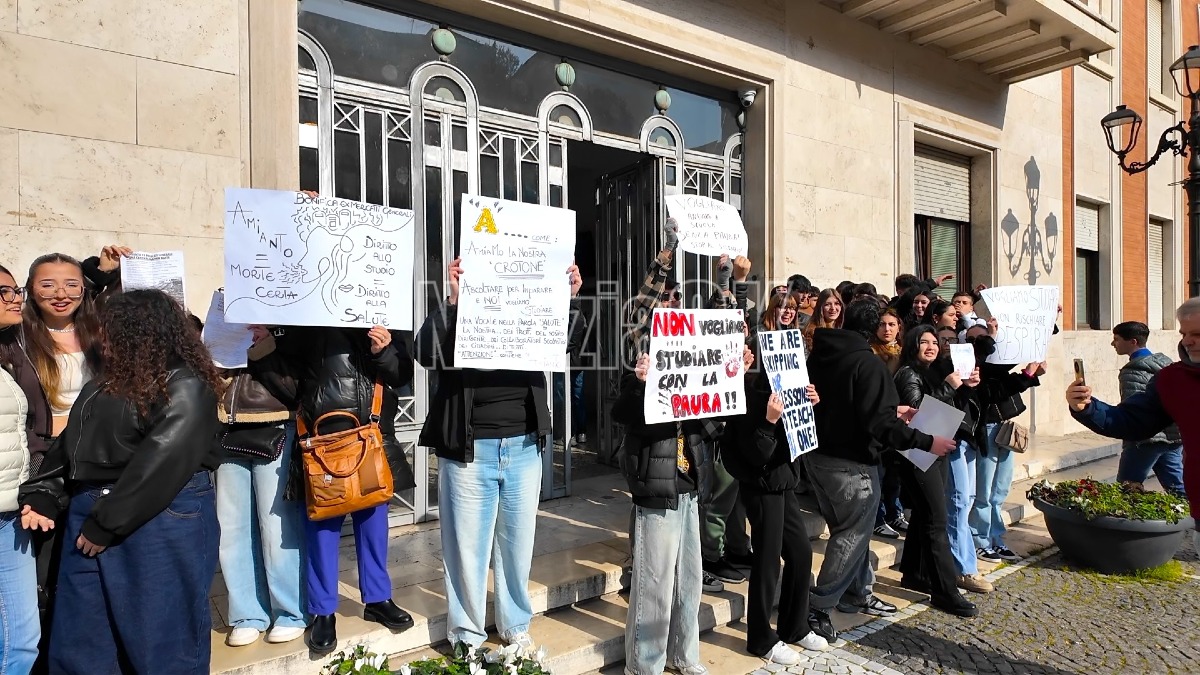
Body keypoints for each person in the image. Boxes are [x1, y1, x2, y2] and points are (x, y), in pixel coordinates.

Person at [19, 290, 223, 674]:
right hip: (92, 514)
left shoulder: (185, 382)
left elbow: (162, 461)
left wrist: (106, 522)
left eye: (106, 330)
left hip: (158, 517)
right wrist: (44, 492)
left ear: (137, 332)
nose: (97, 339)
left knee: (161, 641)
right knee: (82, 641)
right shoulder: (104, 383)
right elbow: (71, 446)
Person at [416, 257, 583, 651]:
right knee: (466, 549)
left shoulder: (531, 305)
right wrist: (453, 302)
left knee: (516, 547)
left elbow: (568, 343)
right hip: (469, 449)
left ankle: (514, 625)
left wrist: (570, 299)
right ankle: (467, 634)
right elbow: (424, 352)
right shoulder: (457, 310)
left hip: (524, 445)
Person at [249, 322, 417, 655]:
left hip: (370, 434)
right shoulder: (303, 317)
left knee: (373, 523)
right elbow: (287, 385)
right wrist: (266, 347)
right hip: (319, 440)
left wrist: (383, 351)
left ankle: (378, 598)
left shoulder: (382, 310)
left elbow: (401, 374)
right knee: (322, 528)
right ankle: (323, 610)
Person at [803, 299, 956, 642]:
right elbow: (880, 424)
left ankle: (857, 593)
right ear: (874, 329)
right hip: (852, 463)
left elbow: (850, 404)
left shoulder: (820, 355)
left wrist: (891, 409)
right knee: (852, 535)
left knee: (847, 530)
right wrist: (927, 441)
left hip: (818, 457)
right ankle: (818, 605)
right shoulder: (867, 364)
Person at [613, 346, 747, 675]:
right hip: (657, 490)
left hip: (690, 489)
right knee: (654, 583)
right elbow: (622, 414)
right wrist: (642, 382)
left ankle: (683, 655)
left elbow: (716, 424)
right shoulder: (640, 371)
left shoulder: (694, 373)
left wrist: (733, 378)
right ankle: (644, 666)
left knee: (689, 579)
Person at [1067, 298, 1200, 529]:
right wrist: (1088, 407)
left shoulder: (1140, 369)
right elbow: (1133, 419)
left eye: (1197, 334)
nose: (1188, 342)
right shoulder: (1172, 378)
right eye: (1184, 334)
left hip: (1152, 444)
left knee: (1131, 485)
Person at [723, 376, 828, 666]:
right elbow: (756, 454)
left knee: (801, 552)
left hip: (784, 482)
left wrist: (810, 408)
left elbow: (801, 438)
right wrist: (769, 421)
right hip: (761, 486)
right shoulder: (746, 394)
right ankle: (759, 638)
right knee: (767, 561)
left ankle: (795, 626)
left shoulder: (785, 387)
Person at [215, 327, 307, 647]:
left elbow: (297, 387)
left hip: (275, 425)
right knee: (232, 528)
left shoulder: (289, 318)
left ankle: (291, 611)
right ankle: (245, 613)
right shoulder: (225, 311)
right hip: (226, 427)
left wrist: (266, 343)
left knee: (277, 525)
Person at [892, 326, 981, 615]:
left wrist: (966, 386)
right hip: (917, 452)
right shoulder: (908, 373)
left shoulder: (935, 371)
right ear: (912, 345)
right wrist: (950, 386)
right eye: (923, 341)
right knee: (936, 520)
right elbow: (917, 410)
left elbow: (950, 409)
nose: (930, 346)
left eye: (934, 341)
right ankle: (945, 592)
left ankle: (915, 573)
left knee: (925, 514)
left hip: (938, 448)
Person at [0, 265, 38, 673]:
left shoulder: (8, 353)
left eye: (15, 290)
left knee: (20, 641)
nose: (15, 298)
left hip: (11, 512)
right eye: (3, 292)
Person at [1109, 321, 1185, 496]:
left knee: (1127, 486)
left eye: (1117, 339)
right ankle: (1192, 520)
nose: (1113, 344)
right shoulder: (1166, 364)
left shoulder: (1132, 371)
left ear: (1133, 342)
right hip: (1172, 436)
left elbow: (1135, 410)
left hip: (1144, 440)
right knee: (1177, 488)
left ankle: (1126, 523)